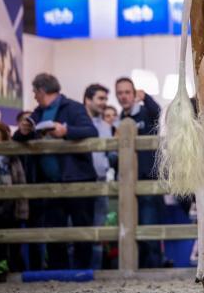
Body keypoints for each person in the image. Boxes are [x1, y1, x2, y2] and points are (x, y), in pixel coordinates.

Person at [13, 73, 98, 269]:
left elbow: (90, 131)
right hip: (50, 184)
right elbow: (18, 139)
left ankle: (81, 271)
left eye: (35, 92)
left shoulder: (74, 108)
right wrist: (23, 131)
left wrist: (66, 132)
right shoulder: (37, 112)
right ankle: (58, 271)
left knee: (81, 230)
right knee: (54, 231)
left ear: (42, 91)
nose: (34, 96)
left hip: (77, 180)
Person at [115, 77, 164, 267]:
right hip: (128, 183)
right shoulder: (121, 118)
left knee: (149, 229)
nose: (124, 96)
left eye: (127, 92)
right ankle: (140, 267)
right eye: (120, 93)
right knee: (131, 228)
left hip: (148, 181)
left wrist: (146, 97)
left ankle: (154, 268)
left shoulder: (145, 112)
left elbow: (159, 113)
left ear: (134, 94)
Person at [83, 83, 115, 269]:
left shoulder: (105, 126)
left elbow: (109, 154)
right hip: (82, 181)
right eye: (100, 98)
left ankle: (95, 272)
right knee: (77, 229)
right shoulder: (78, 122)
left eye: (105, 99)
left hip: (101, 180)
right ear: (88, 99)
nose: (104, 103)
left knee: (99, 229)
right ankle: (77, 270)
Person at [0, 121, 28, 272]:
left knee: (13, 239)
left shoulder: (12, 156)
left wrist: (22, 205)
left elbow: (20, 179)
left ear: (3, 135)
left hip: (10, 203)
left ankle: (14, 269)